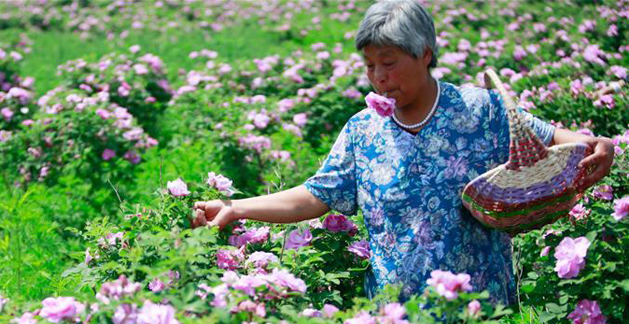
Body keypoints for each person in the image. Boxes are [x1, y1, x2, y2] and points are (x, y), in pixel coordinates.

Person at [191, 0, 615, 305]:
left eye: (389, 62)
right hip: (396, 317)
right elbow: (314, 196)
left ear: (425, 54)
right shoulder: (363, 130)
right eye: (370, 65)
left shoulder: (478, 109)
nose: (378, 77)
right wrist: (237, 207)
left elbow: (553, 137)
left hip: (479, 312)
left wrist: (597, 143)